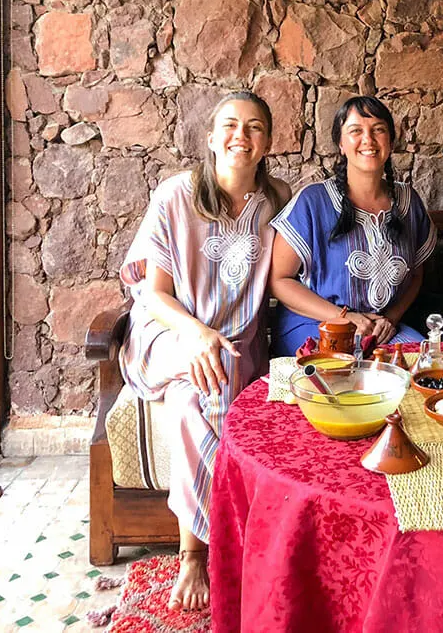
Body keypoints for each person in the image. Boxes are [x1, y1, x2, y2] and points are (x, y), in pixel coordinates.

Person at [119, 91, 288, 611]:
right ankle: (207, 548)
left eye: (255, 127)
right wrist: (196, 334)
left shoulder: (277, 200)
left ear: (267, 143)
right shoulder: (176, 195)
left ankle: (207, 543)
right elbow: (153, 295)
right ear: (211, 138)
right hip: (167, 333)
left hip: (236, 345)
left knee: (197, 395)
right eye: (230, 125)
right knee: (207, 378)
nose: (242, 135)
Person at [269, 96, 436, 355]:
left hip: (379, 328)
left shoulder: (408, 202)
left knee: (419, 367)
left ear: (390, 141)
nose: (368, 139)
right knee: (342, 376)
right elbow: (279, 280)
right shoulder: (313, 202)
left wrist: (390, 317)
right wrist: (343, 317)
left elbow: (416, 273)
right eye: (356, 131)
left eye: (378, 130)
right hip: (317, 323)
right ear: (341, 144)